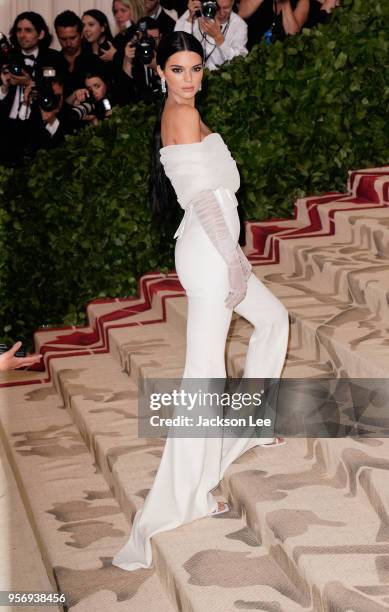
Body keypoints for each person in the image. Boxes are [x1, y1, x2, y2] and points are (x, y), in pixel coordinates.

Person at [112, 31, 289, 572]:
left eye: (195, 69)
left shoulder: (179, 112)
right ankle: (184, 495)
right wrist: (233, 259)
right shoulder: (181, 117)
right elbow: (206, 204)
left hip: (212, 249)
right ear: (160, 73)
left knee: (273, 319)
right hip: (210, 251)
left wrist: (233, 256)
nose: (189, 80)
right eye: (177, 70)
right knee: (204, 373)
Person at [0, 11, 67, 165]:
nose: (22, 35)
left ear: (41, 34)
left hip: (38, 127)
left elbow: (56, 95)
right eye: (19, 30)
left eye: (28, 30)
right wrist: (4, 88)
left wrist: (28, 81)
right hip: (7, 128)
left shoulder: (54, 59)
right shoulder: (6, 57)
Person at [174, 0, 248, 71]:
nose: (222, 13)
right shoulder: (196, 12)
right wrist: (190, 20)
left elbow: (239, 62)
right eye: (218, 8)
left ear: (232, 3)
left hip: (220, 77)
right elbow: (176, 46)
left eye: (226, 8)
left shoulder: (240, 25)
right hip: (192, 72)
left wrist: (219, 38)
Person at [54, 10, 105, 98]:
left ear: (81, 34)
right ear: (57, 36)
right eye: (63, 39)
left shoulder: (95, 62)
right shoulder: (52, 62)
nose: (68, 43)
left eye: (73, 38)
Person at [115, 17, 162, 105]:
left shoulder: (167, 58)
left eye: (154, 39)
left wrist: (157, 69)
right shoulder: (127, 57)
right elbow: (123, 99)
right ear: (137, 39)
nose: (151, 44)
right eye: (146, 40)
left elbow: (170, 91)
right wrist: (127, 62)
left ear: (160, 37)